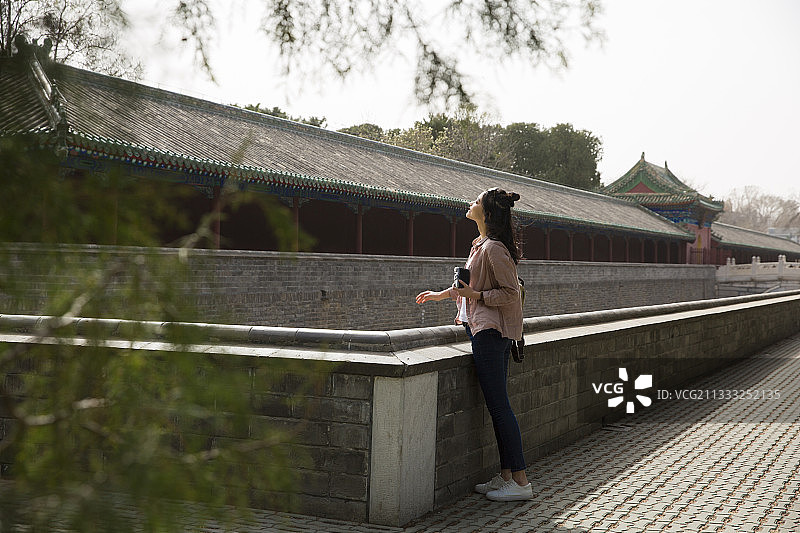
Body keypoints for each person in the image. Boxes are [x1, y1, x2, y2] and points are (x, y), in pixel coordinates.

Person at [416, 187, 531, 502]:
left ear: (488, 212)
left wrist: (476, 296)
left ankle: (520, 481)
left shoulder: (494, 248)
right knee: (497, 407)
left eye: (477, 202)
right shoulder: (480, 245)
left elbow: (509, 294)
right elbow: (470, 286)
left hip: (492, 333)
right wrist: (442, 294)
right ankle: (507, 476)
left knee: (500, 407)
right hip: (481, 329)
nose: (470, 204)